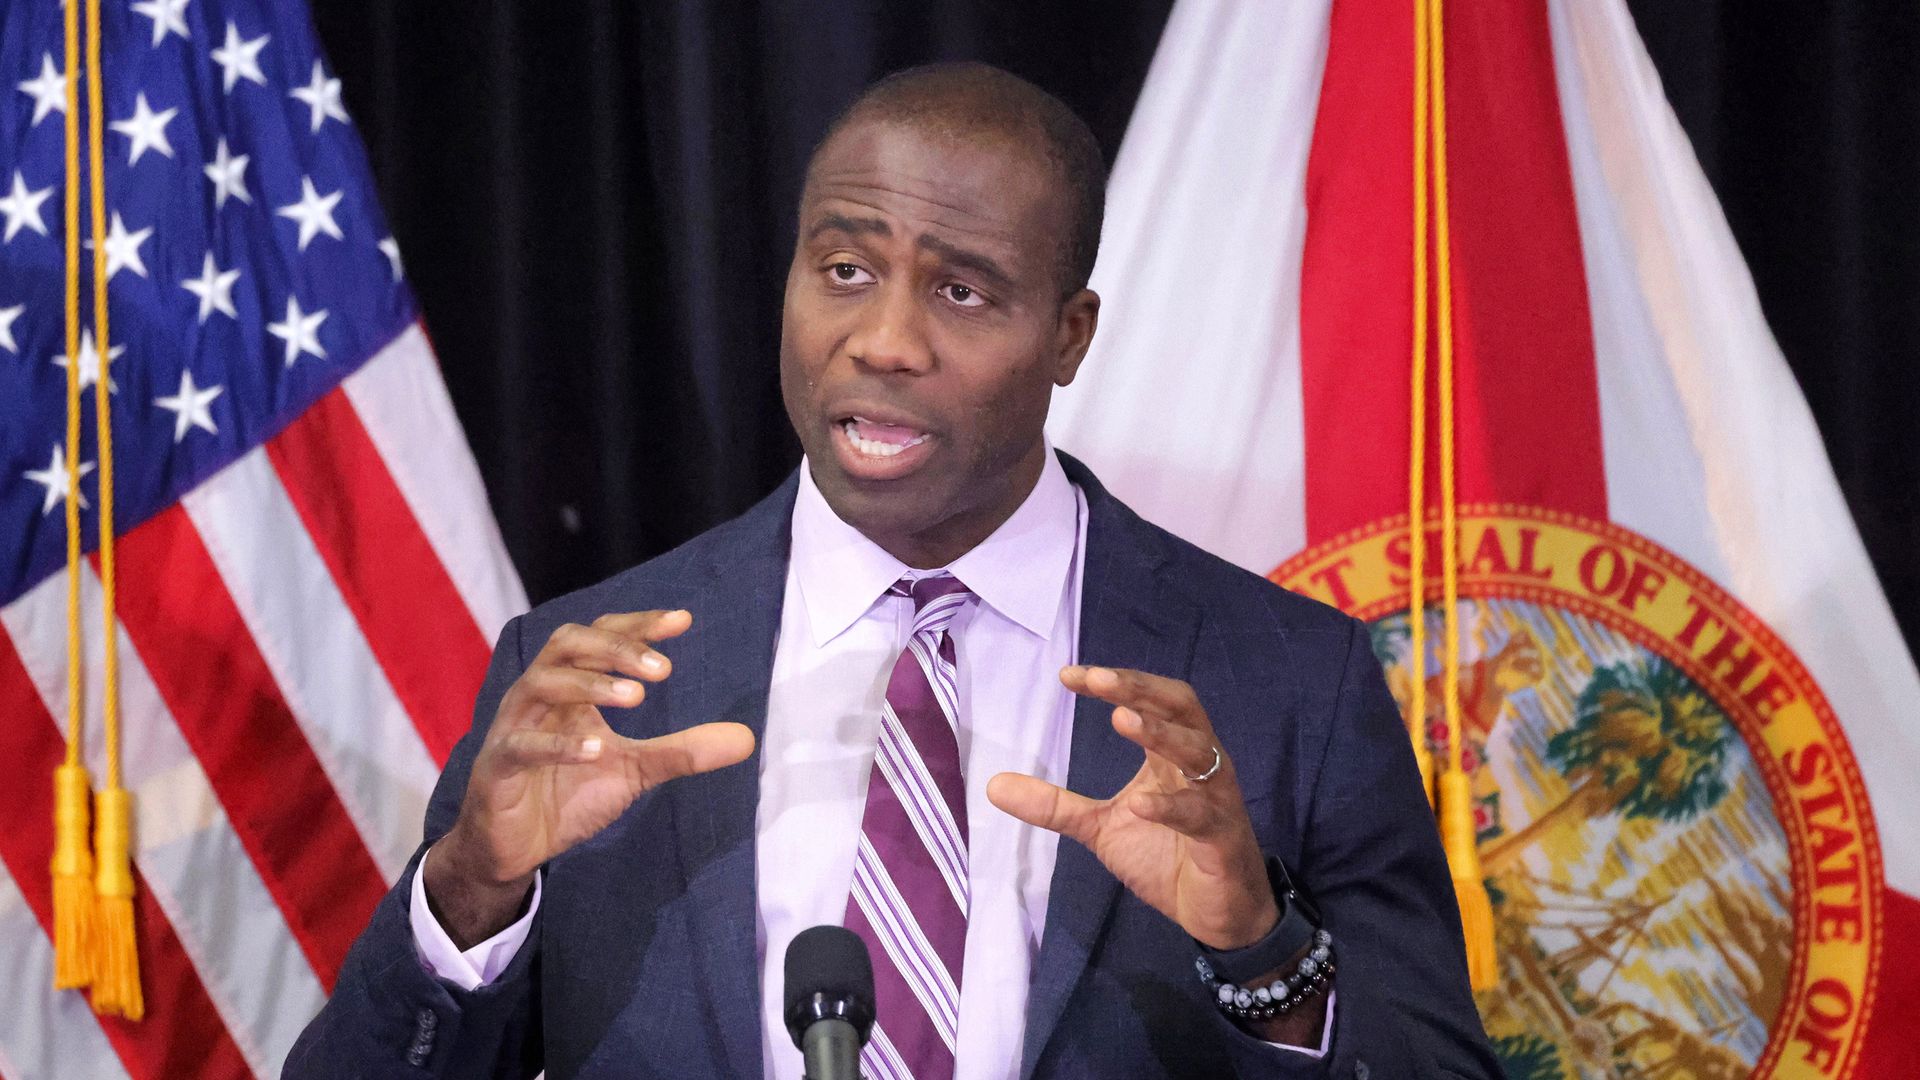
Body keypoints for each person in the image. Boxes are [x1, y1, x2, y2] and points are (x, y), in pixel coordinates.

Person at [286, 63, 1500, 1080]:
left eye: (963, 292)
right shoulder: (596, 672)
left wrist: (1261, 953)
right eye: (846, 271)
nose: (884, 340)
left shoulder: (1285, 681)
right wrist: (469, 895)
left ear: (1069, 336)